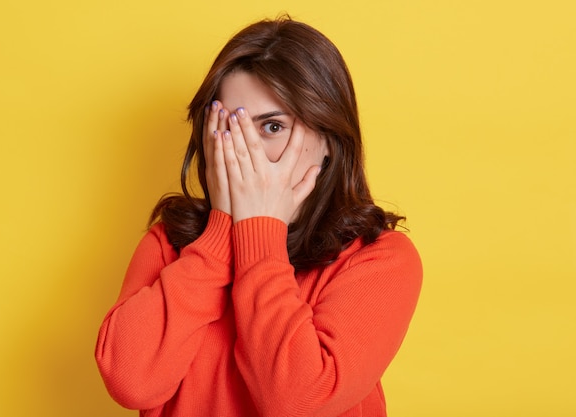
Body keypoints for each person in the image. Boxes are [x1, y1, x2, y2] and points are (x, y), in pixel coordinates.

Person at [95, 15, 422, 417]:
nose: (244, 150)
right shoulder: (170, 245)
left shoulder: (379, 259)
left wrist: (260, 234)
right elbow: (131, 382)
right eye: (228, 127)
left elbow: (298, 401)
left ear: (329, 140)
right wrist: (219, 237)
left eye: (270, 126)